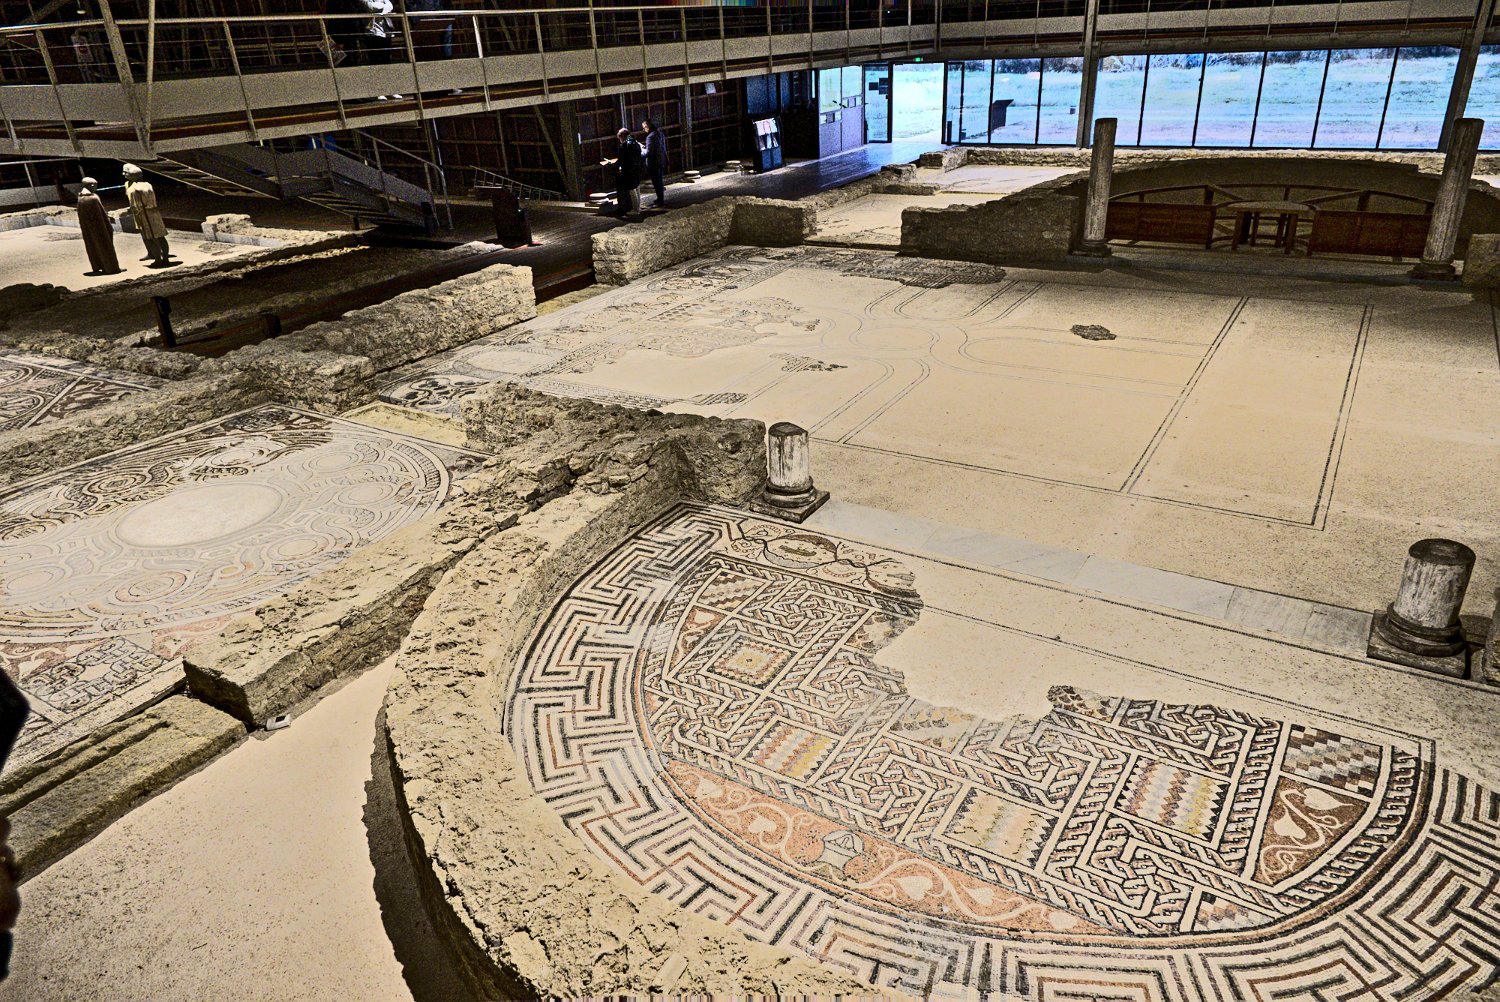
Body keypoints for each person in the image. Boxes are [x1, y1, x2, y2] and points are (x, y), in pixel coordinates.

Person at [121, 163, 173, 267]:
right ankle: (165, 258)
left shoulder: (134, 189)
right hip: (154, 213)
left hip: (144, 215)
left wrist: (125, 212)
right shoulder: (148, 184)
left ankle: (158, 260)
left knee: (150, 238)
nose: (125, 175)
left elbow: (136, 206)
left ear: (133, 176)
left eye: (127, 173)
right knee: (161, 237)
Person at [74, 177, 120, 275]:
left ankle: (98, 266)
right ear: (91, 185)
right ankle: (111, 267)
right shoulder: (92, 198)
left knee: (93, 245)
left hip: (89, 228)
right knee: (105, 246)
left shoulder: (81, 198)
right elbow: (100, 215)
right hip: (99, 227)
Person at [600, 127, 644, 219]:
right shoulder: (635, 143)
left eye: (620, 138)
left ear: (623, 136)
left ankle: (636, 210)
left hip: (629, 170)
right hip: (638, 168)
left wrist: (611, 164)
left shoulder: (624, 145)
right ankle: (638, 208)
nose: (620, 140)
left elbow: (622, 160)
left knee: (632, 190)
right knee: (637, 188)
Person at [641, 118, 668, 209]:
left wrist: (640, 151)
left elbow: (648, 153)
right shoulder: (659, 133)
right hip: (661, 160)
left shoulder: (650, 137)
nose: (644, 129)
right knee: (660, 182)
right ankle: (660, 199)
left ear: (648, 127)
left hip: (653, 163)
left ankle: (660, 201)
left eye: (644, 127)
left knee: (657, 183)